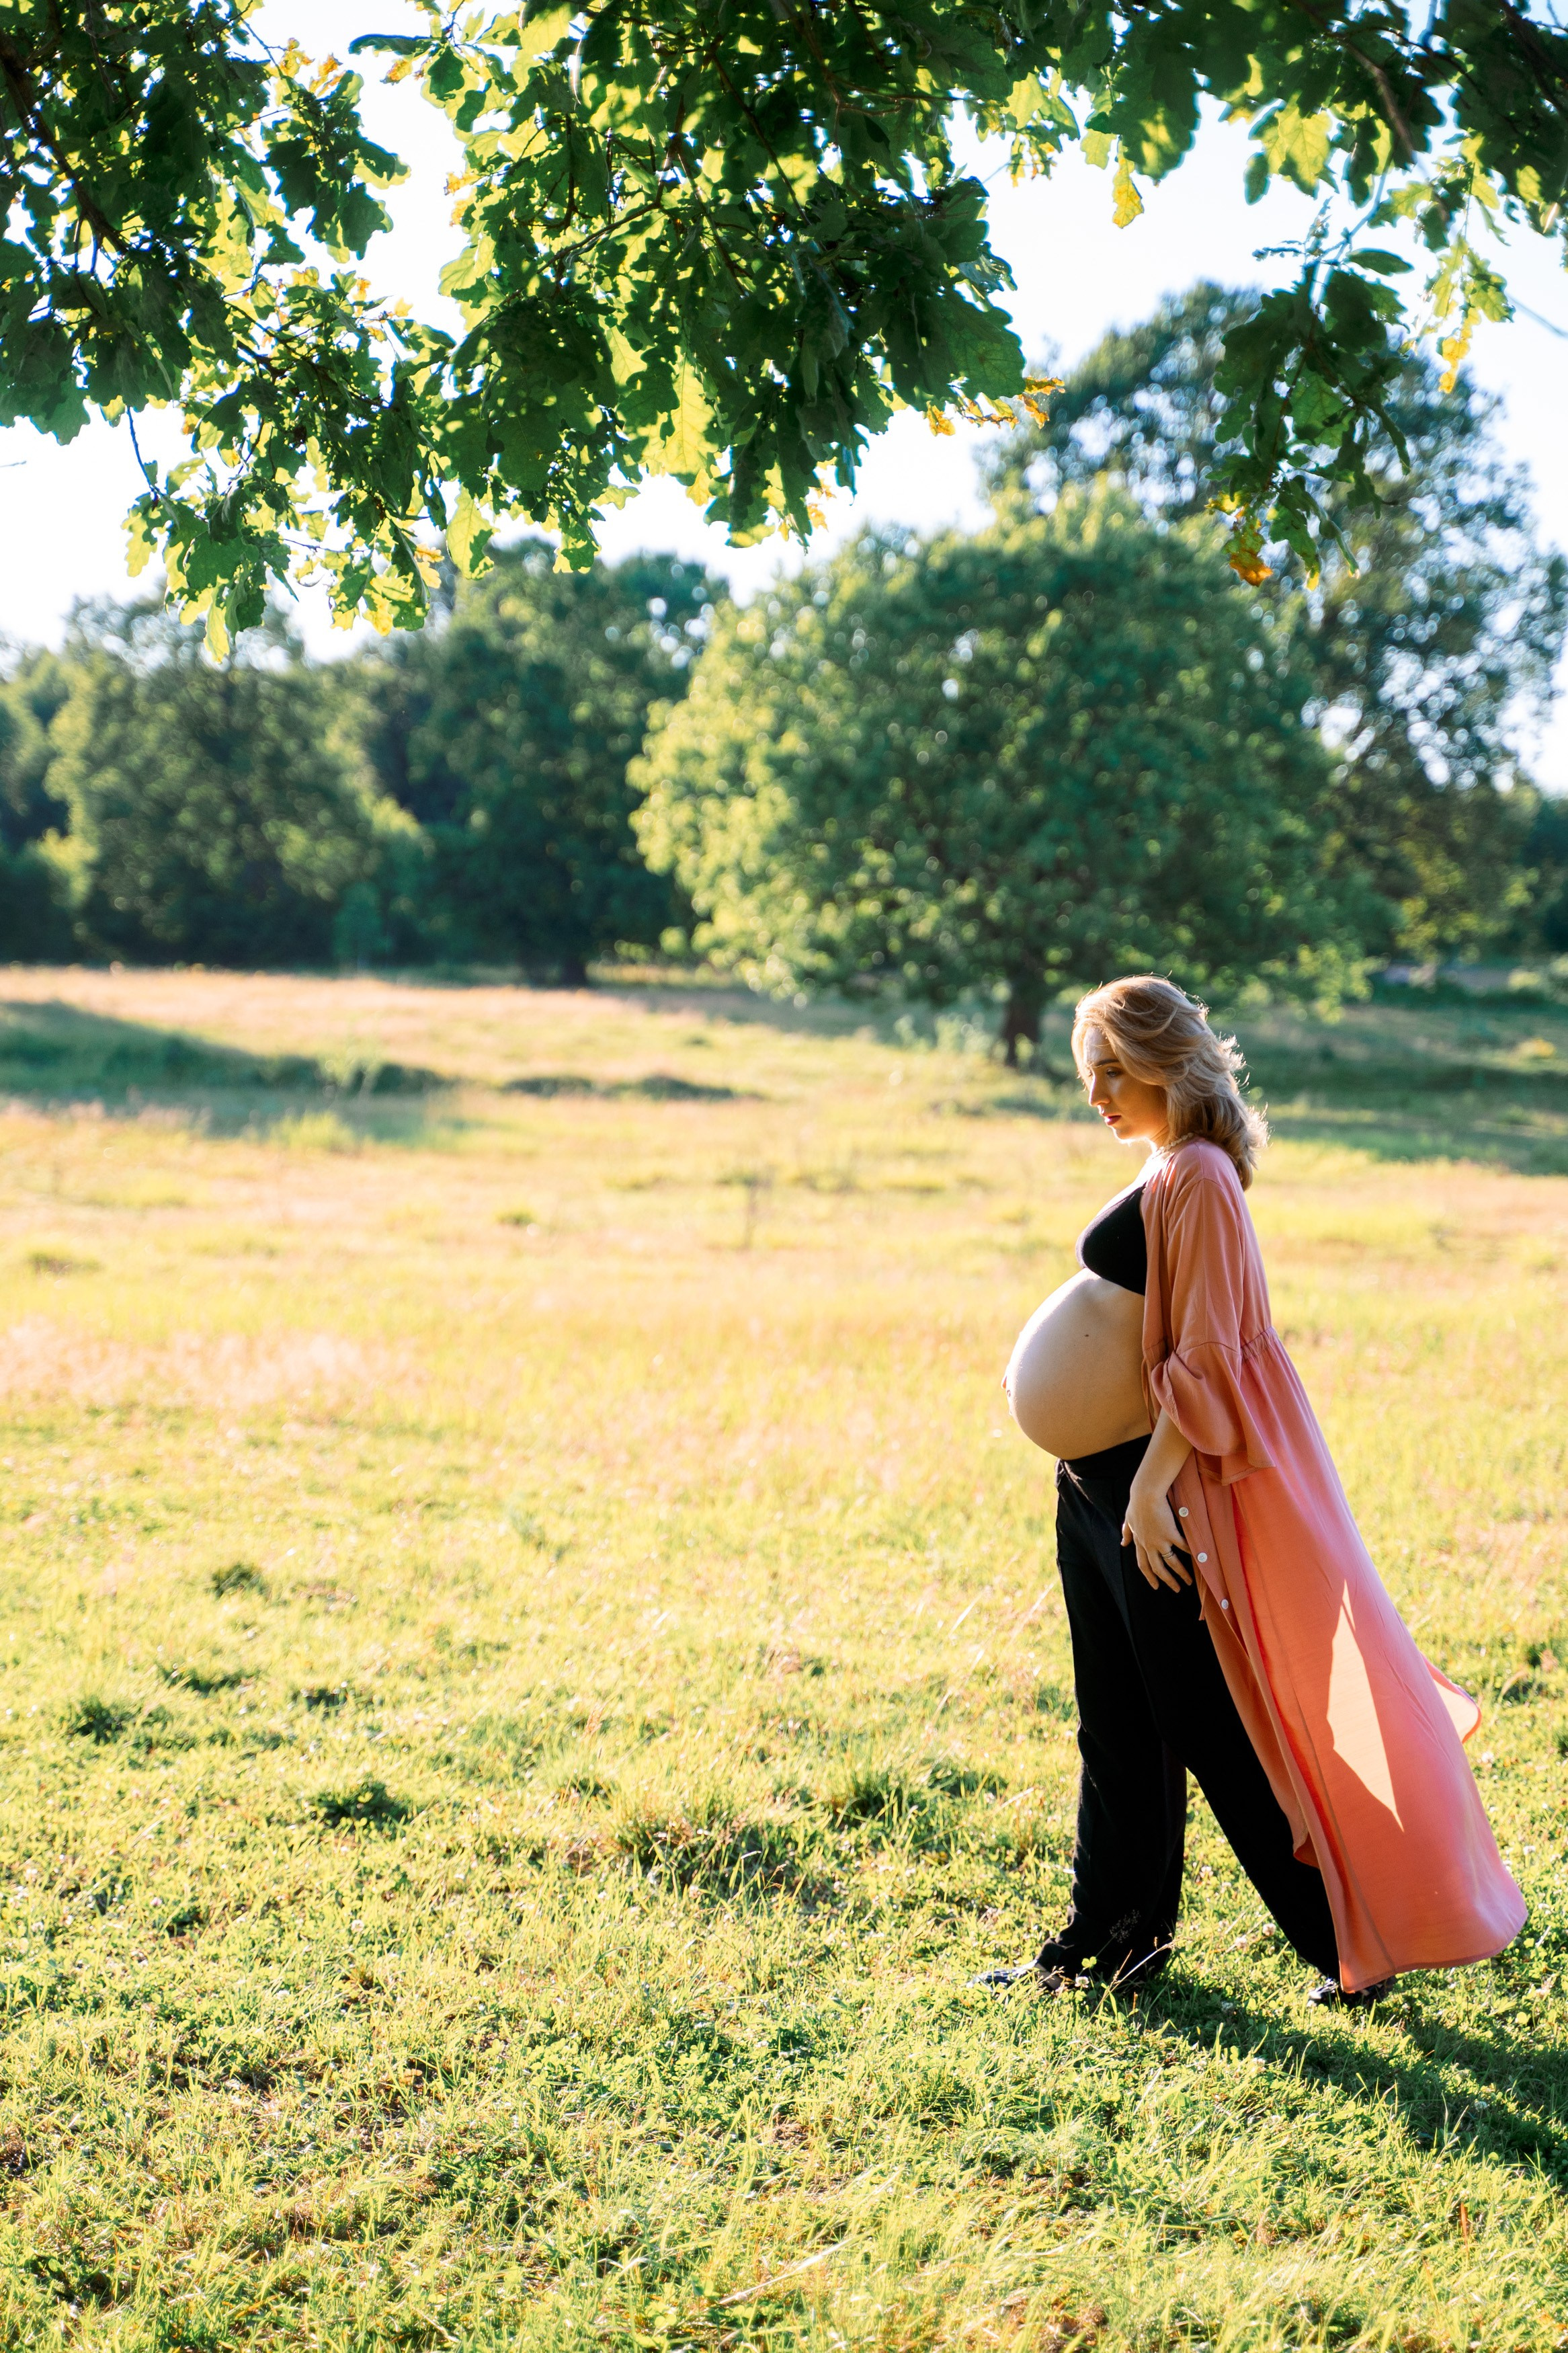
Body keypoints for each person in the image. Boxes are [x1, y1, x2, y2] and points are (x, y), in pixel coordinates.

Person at [983, 975, 1524, 2005]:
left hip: (1153, 1500)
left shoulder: (1198, 1175)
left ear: (1168, 1062)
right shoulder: (1165, 1165)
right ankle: (1109, 1943)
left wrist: (1149, 1493)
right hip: (1098, 1486)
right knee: (1118, 1724)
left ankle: (1352, 1947)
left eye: (1111, 1068)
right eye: (1084, 1071)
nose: (1095, 1090)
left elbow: (1217, 1358)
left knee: (1214, 1729)